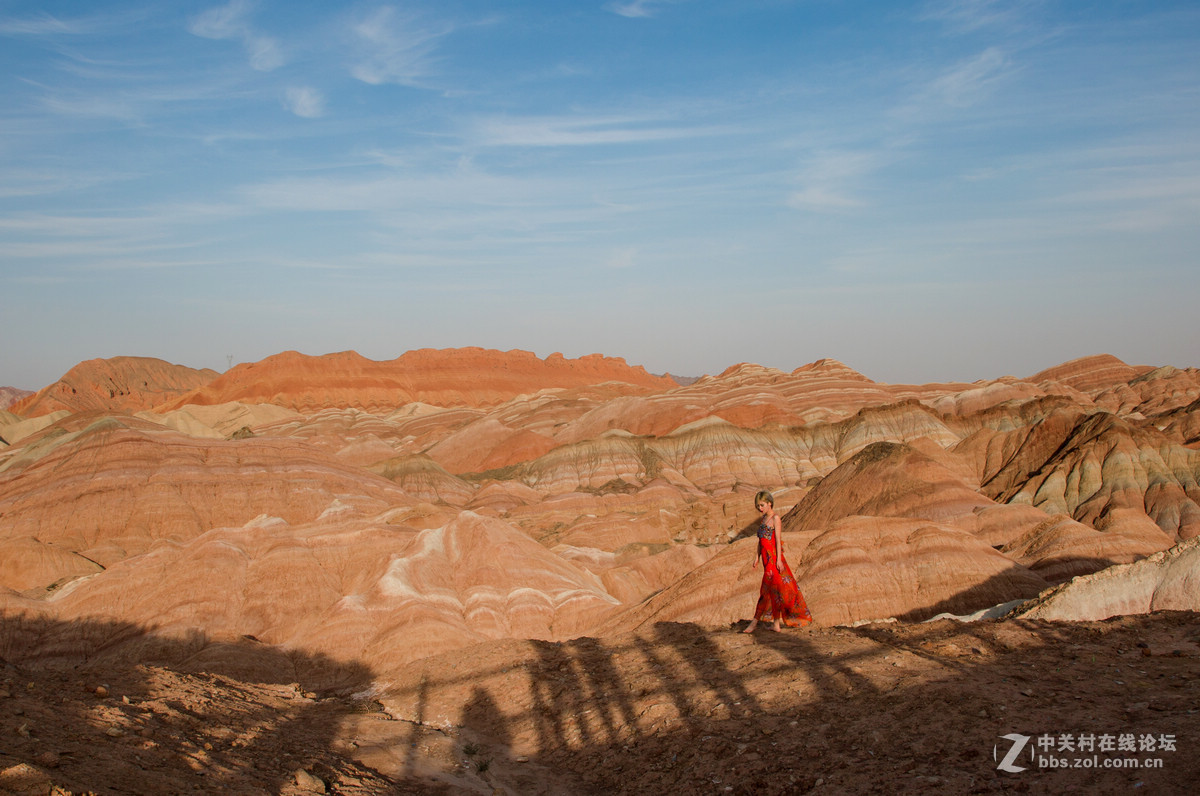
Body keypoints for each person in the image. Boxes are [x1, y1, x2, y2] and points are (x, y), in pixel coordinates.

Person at [743, 490, 812, 633]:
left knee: (765, 589)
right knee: (774, 591)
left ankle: (754, 623)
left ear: (769, 503)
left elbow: (778, 541)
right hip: (765, 560)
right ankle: (776, 625)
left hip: (773, 560)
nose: (760, 508)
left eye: (762, 505)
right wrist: (757, 557)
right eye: (758, 506)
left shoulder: (776, 519)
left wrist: (779, 560)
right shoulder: (763, 520)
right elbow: (760, 541)